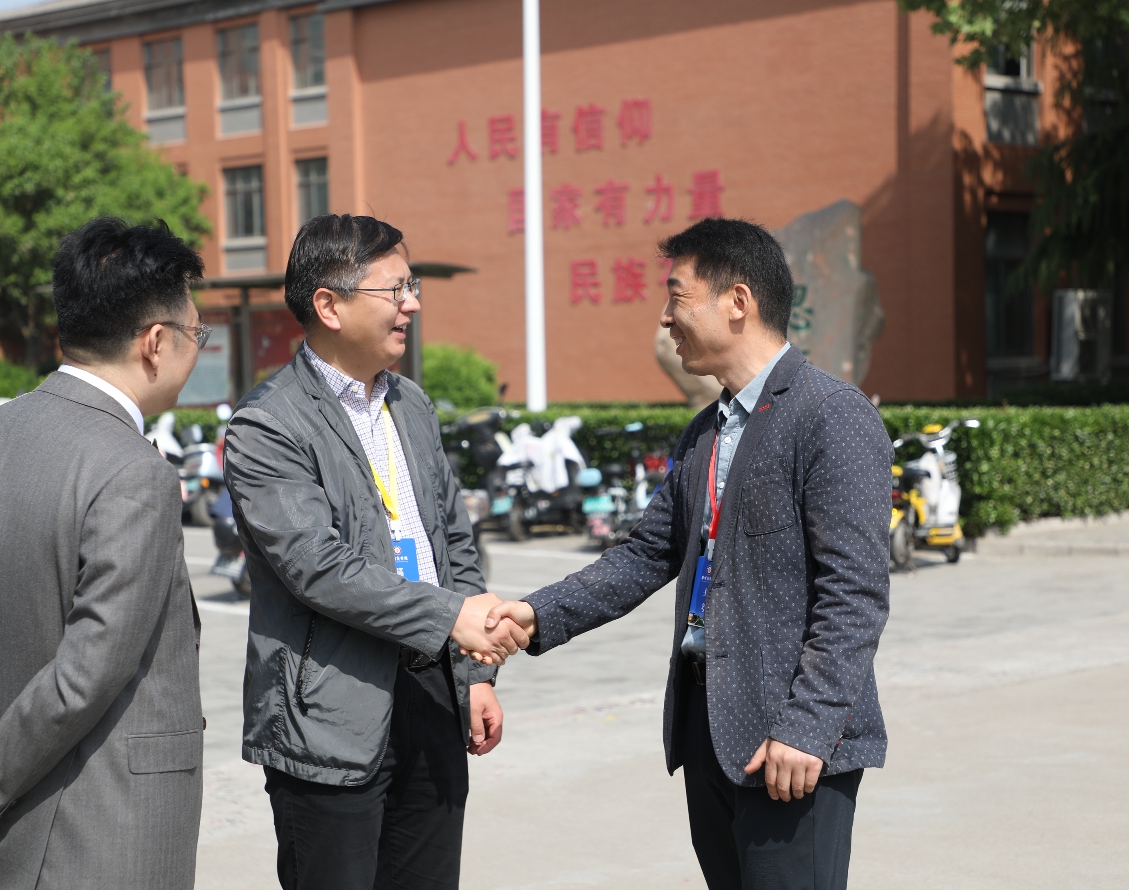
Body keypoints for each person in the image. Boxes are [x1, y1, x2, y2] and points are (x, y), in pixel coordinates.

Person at [482, 218, 893, 890]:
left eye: (676, 296)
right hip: (710, 730)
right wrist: (533, 615)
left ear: (738, 301)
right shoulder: (707, 430)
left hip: (790, 741)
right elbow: (647, 553)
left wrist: (809, 725)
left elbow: (854, 592)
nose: (665, 317)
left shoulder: (830, 415)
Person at [0, 218, 209, 890]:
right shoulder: (135, 471)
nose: (195, 349)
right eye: (197, 334)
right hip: (103, 840)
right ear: (156, 342)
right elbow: (86, 674)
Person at [222, 214, 528, 890]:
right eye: (395, 289)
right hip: (329, 712)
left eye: (412, 286)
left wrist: (473, 675)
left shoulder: (410, 405)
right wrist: (450, 617)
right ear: (329, 305)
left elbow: (453, 542)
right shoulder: (267, 424)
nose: (411, 304)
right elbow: (317, 567)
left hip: (432, 692)